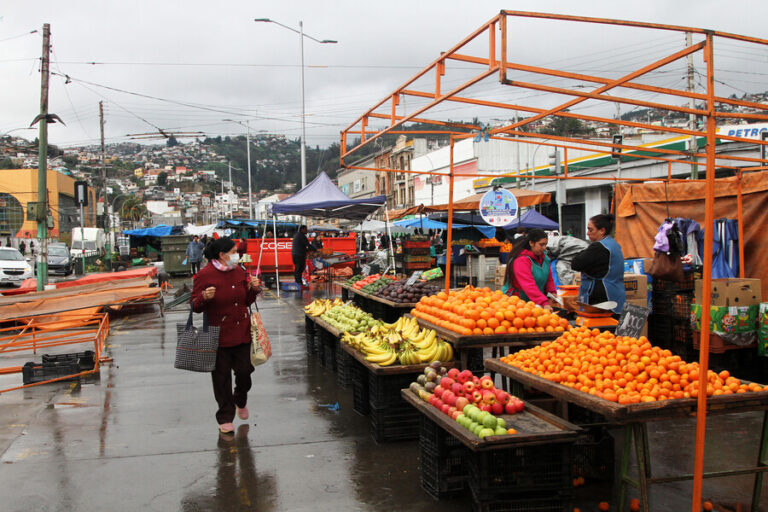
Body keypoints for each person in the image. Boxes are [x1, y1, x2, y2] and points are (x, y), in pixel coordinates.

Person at [191, 237, 262, 434]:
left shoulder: (240, 271)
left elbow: (246, 300)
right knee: (221, 379)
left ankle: (240, 399)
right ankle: (225, 416)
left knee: (245, 372)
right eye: (233, 251)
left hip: (242, 332)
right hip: (218, 335)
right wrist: (204, 297)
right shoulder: (205, 275)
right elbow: (194, 306)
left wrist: (254, 289)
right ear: (222, 255)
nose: (236, 255)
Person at [571, 214, 626, 314]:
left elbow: (576, 264)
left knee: (600, 328)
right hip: (616, 295)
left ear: (602, 231)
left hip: (602, 300)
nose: (587, 233)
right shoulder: (614, 244)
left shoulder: (598, 247)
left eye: (590, 230)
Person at [502, 228, 556, 310]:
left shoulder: (544, 258)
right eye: (541, 245)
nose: (544, 248)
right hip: (516, 304)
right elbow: (528, 285)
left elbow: (549, 279)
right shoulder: (521, 260)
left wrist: (552, 293)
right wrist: (543, 302)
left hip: (535, 302)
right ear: (531, 243)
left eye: (545, 244)